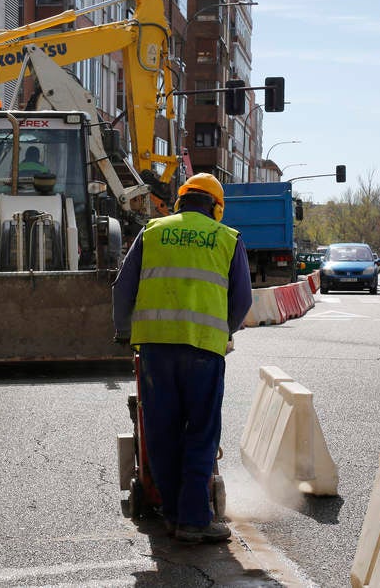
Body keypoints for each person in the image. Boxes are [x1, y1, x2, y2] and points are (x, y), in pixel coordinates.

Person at [112, 172, 252, 544]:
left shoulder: (153, 231)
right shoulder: (227, 239)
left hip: (155, 349)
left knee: (161, 432)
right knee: (201, 433)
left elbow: (123, 288)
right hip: (204, 351)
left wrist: (123, 330)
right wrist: (225, 331)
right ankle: (194, 520)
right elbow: (242, 302)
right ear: (216, 207)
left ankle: (172, 515)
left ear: (181, 200)